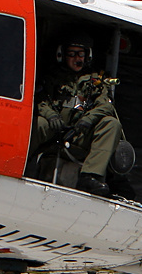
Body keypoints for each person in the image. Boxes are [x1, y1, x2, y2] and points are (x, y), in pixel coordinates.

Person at [33, 31, 123, 197]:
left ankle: (90, 176)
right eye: (72, 54)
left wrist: (88, 120)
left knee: (112, 124)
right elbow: (39, 99)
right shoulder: (53, 78)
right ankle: (23, 163)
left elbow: (106, 105)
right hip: (55, 130)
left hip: (80, 133)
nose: (78, 59)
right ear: (62, 55)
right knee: (38, 123)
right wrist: (51, 116)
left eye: (81, 54)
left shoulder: (95, 81)